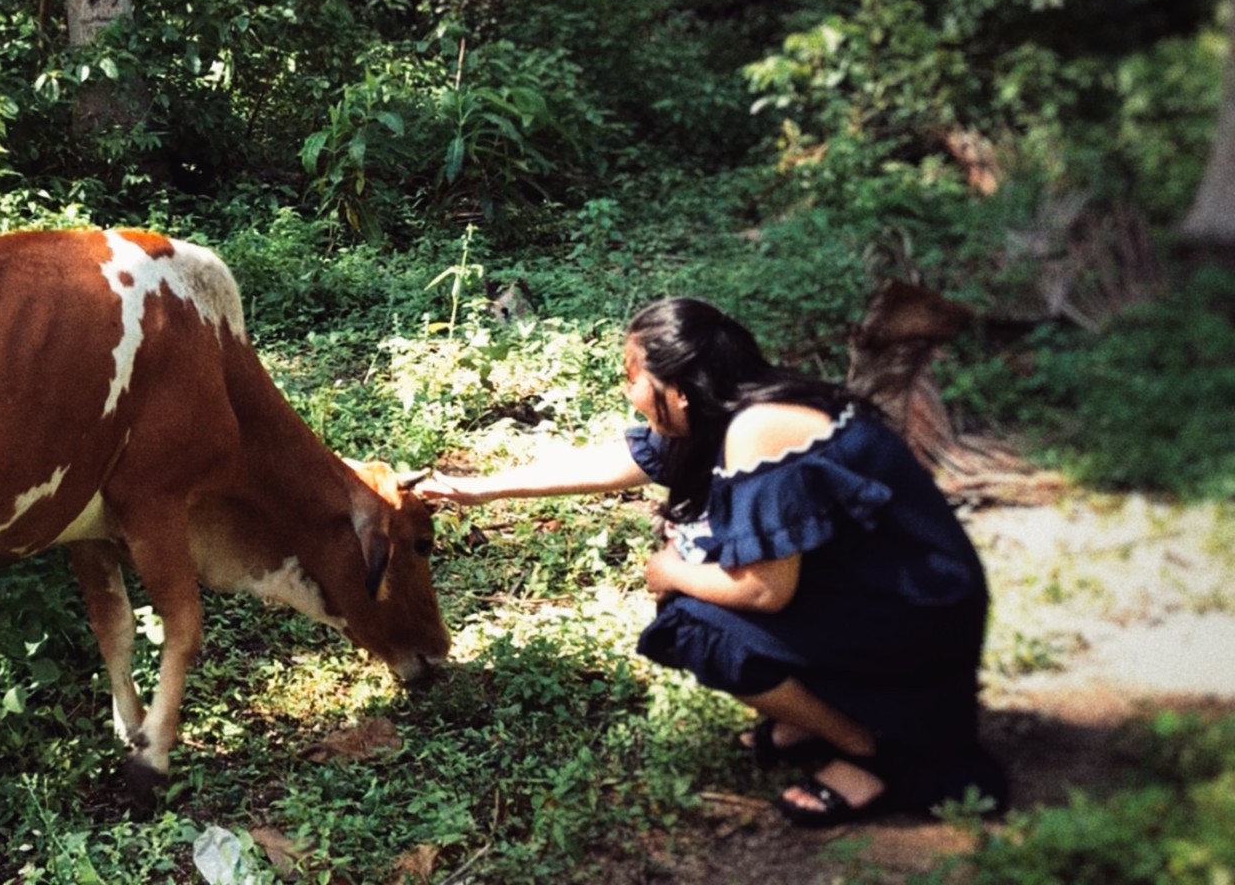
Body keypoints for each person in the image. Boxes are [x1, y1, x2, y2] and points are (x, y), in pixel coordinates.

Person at [414, 297, 1007, 826]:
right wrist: (480, 488)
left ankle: (869, 751)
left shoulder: (758, 430)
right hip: (894, 588)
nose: (626, 392)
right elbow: (612, 461)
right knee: (700, 592)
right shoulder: (735, 403)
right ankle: (823, 713)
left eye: (631, 377)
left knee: (692, 622)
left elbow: (762, 594)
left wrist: (667, 571)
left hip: (919, 611)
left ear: (678, 390)